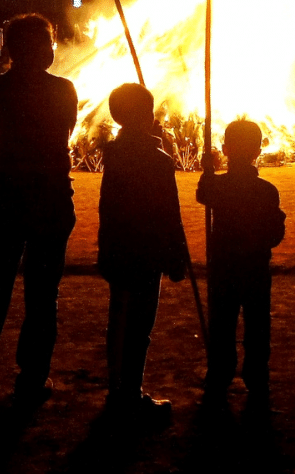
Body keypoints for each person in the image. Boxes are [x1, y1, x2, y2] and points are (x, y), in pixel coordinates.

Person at [0, 14, 78, 403]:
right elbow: (66, 133)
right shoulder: (63, 91)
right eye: (47, 43)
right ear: (41, 50)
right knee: (42, 292)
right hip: (47, 199)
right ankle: (31, 376)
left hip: (7, 197)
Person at [97, 83, 187, 423]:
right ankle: (130, 396)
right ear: (148, 116)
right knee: (138, 326)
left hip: (118, 249)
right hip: (146, 252)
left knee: (119, 321)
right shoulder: (156, 159)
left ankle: (118, 390)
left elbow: (108, 207)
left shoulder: (115, 152)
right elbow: (169, 213)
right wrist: (176, 256)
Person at [196, 119, 286, 407]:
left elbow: (203, 194)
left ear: (225, 149)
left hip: (224, 267)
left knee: (222, 324)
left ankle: (219, 374)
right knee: (258, 324)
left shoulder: (217, 186)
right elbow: (275, 234)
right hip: (256, 268)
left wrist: (207, 170)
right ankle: (257, 376)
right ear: (259, 151)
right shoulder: (267, 190)